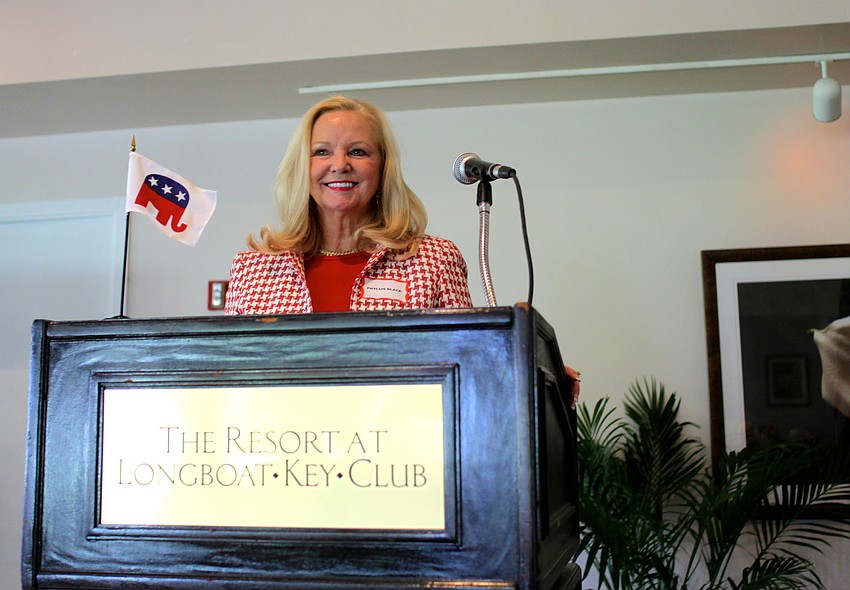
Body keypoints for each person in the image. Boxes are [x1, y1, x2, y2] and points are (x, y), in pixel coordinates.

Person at [224, 95, 473, 315]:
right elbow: (232, 355)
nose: (340, 165)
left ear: (383, 168)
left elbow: (467, 350)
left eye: (357, 152)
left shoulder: (435, 260)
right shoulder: (253, 269)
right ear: (301, 168)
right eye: (322, 152)